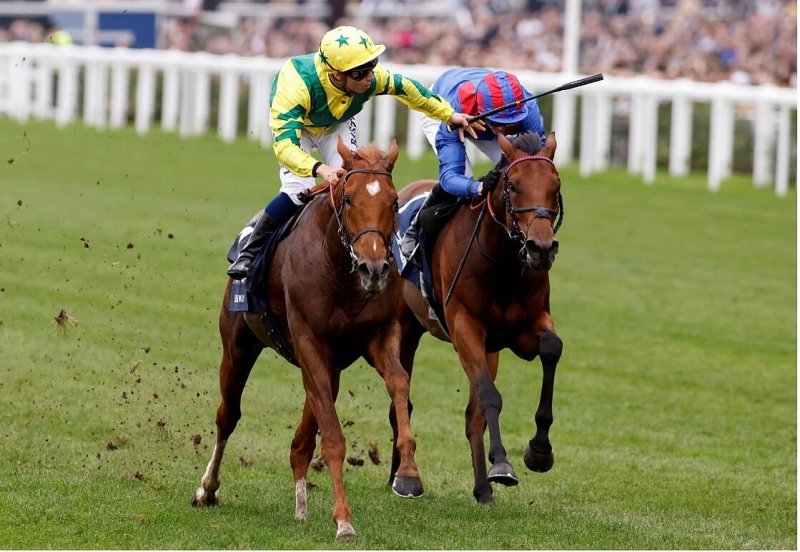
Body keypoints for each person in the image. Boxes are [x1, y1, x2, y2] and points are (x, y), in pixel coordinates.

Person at [227, 25, 482, 279]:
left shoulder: (369, 78)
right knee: (297, 190)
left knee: (355, 183)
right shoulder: (296, 86)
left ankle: (366, 249)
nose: (369, 77)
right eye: (360, 73)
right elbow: (285, 148)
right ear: (337, 76)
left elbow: (410, 90)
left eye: (372, 66)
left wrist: (450, 115)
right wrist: (320, 169)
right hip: (297, 131)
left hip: (335, 125)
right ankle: (250, 250)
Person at [399, 68, 547, 261]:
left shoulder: (528, 109)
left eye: (512, 123)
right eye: (499, 123)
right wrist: (480, 187)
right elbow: (450, 177)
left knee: (520, 172)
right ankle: (415, 229)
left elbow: (537, 165)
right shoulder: (452, 109)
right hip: (444, 107)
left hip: (483, 112)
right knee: (463, 179)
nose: (504, 131)